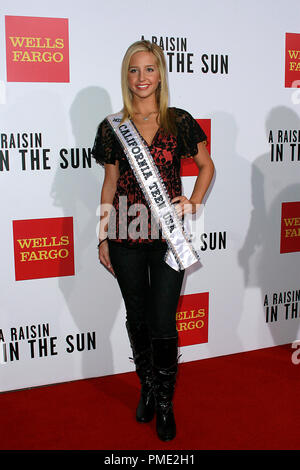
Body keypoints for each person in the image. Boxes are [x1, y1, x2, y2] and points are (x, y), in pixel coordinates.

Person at [92, 40, 214, 442]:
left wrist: (193, 202)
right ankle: (147, 385)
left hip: (167, 238)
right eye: (134, 70)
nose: (142, 78)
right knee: (137, 317)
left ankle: (164, 401)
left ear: (160, 74)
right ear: (126, 77)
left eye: (149, 69)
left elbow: (206, 165)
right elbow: (109, 183)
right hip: (125, 234)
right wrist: (103, 236)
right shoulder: (112, 128)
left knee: (163, 321)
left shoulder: (178, 121)